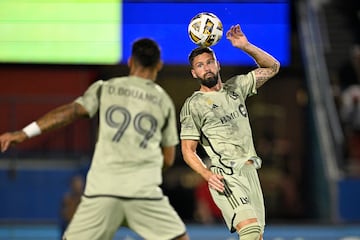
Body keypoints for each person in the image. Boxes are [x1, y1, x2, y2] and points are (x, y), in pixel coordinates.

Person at [0, 38, 189, 240]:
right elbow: (168, 159)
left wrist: (23, 133)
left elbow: (70, 111)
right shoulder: (164, 102)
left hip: (103, 190)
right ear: (159, 65)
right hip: (143, 191)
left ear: (130, 62)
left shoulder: (104, 88)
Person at [180, 24, 280, 240]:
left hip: (251, 172)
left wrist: (245, 46)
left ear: (218, 64)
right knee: (251, 232)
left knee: (256, 236)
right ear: (194, 72)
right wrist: (207, 175)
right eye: (199, 65)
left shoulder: (236, 87)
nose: (206, 68)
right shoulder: (193, 105)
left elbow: (273, 67)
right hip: (226, 175)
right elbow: (188, 151)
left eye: (209, 62)